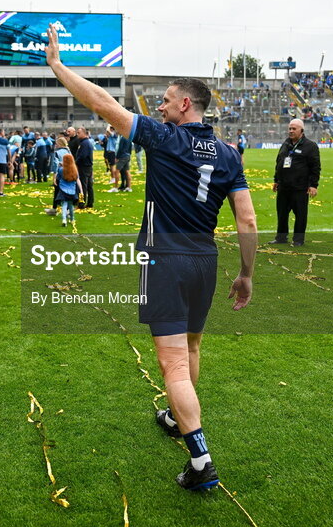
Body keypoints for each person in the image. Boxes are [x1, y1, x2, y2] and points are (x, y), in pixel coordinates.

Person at [46, 25, 257, 492]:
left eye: (165, 99)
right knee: (193, 348)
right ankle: (175, 417)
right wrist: (245, 273)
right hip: (205, 259)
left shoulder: (165, 138)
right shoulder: (229, 153)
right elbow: (246, 221)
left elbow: (103, 104)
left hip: (164, 258)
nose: (158, 105)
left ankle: (201, 460)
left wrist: (60, 67)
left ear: (186, 104)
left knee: (173, 365)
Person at [271, 118, 320, 247]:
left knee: (300, 215)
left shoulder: (310, 146)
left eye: (294, 129)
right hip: (283, 187)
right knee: (282, 214)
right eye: (289, 128)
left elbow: (315, 167)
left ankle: (298, 240)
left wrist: (313, 185)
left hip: (300, 188)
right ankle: (281, 238)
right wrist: (276, 180)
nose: (291, 131)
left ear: (302, 131)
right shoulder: (286, 144)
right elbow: (279, 162)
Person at [55, 153, 83, 226]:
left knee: (64, 205)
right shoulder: (75, 170)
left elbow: (58, 178)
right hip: (72, 190)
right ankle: (72, 219)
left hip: (63, 189)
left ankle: (64, 219)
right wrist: (81, 190)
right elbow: (78, 180)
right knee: (71, 206)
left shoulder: (61, 170)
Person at [74, 127, 95, 208]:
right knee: (89, 185)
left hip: (83, 167)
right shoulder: (86, 142)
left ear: (84, 133)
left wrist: (76, 162)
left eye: (79, 132)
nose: (77, 134)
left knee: (82, 186)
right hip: (88, 167)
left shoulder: (84, 143)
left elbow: (83, 156)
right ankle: (90, 203)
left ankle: (81, 203)